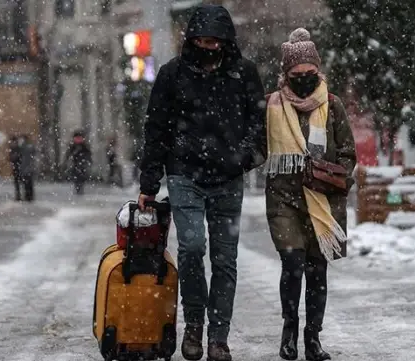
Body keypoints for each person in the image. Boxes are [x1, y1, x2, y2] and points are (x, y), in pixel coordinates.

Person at [137, 5, 266, 361]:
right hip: (184, 176)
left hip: (228, 178)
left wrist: (241, 158)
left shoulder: (244, 74)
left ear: (226, 42)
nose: (208, 47)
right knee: (192, 247)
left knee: (225, 259)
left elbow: (259, 125)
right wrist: (149, 183)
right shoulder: (172, 75)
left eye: (214, 41)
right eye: (201, 40)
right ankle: (193, 324)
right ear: (191, 39)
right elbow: (156, 129)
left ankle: (218, 337)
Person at [264, 28, 357, 361]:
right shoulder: (272, 106)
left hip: (323, 200)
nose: (303, 79)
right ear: (285, 75)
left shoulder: (332, 105)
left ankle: (312, 338)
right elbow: (260, 148)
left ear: (318, 71)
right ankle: (289, 332)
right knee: (292, 264)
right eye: (296, 74)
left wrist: (332, 175)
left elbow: (348, 152)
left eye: (309, 73)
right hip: (283, 199)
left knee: (317, 270)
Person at [64, 130, 92, 196]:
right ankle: (78, 188)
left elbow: (88, 154)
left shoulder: (84, 146)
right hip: (76, 164)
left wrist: (88, 160)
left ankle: (79, 188)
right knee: (77, 177)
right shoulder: (73, 146)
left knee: (81, 177)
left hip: (81, 164)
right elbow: (68, 154)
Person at [10, 135, 35, 201]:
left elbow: (20, 157)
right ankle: (27, 196)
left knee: (27, 182)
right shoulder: (22, 147)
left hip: (24, 168)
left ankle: (28, 196)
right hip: (22, 168)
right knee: (26, 183)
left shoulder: (24, 147)